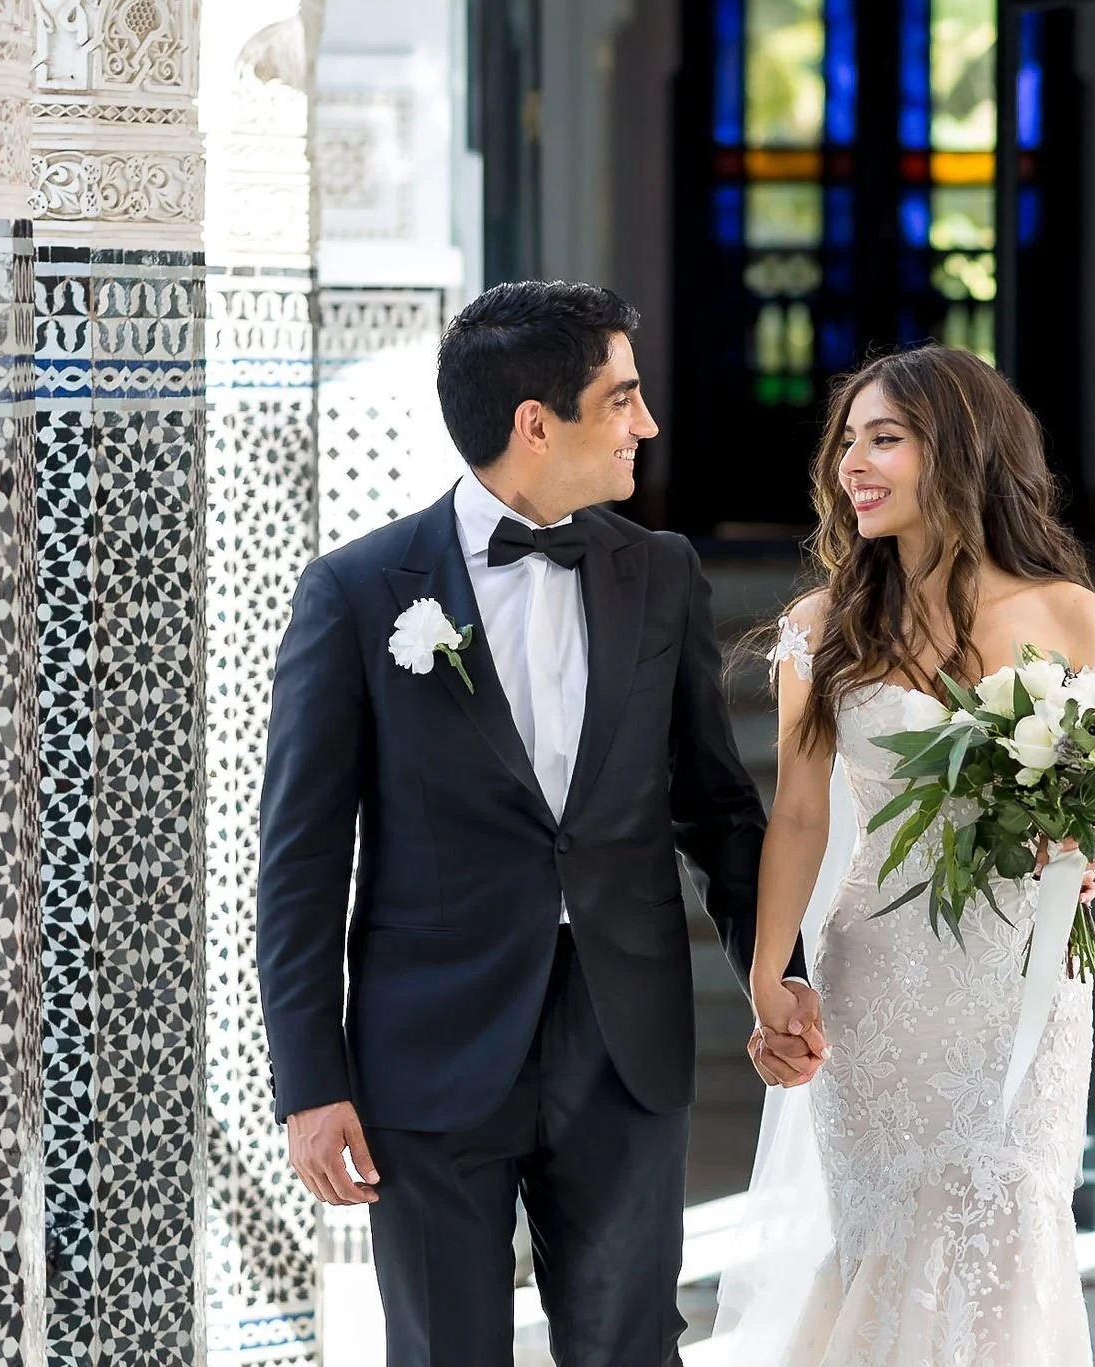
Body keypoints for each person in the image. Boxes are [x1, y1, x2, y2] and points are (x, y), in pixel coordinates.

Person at [254, 280, 825, 1366]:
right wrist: (309, 1081)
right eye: (621, 400)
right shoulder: (359, 590)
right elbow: (301, 859)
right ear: (534, 423)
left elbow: (716, 807)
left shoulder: (659, 574)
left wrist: (775, 969)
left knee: (626, 1346)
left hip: (623, 1037)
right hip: (427, 1051)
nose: (645, 426)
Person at [732, 345, 1095, 1364]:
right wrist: (773, 975)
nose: (853, 461)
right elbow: (801, 817)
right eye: (846, 440)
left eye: (883, 438)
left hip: (1023, 979)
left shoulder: (1070, 614)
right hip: (880, 978)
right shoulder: (822, 629)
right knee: (889, 1238)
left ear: (960, 449)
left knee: (1013, 1219)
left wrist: (1082, 847)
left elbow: (1086, 799)